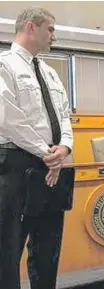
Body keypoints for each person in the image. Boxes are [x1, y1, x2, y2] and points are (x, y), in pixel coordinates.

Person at [0, 7, 74, 289]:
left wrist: (64, 147)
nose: (53, 35)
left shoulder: (49, 72)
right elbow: (8, 119)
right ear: (31, 27)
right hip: (16, 167)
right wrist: (46, 151)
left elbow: (64, 115)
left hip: (51, 166)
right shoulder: (5, 65)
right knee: (8, 251)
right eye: (50, 29)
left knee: (48, 250)